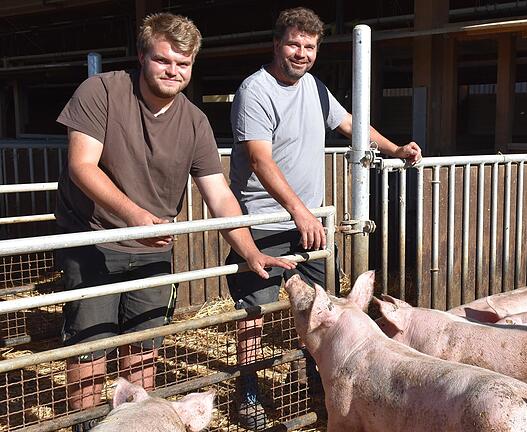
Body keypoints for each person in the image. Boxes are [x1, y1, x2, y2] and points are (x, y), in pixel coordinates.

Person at [54, 13, 295, 432]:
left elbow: (219, 195)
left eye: (183, 64)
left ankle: (135, 425)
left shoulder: (194, 121)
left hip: (153, 251)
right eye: (164, 60)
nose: (173, 71)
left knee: (144, 349)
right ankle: (86, 426)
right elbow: (81, 166)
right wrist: (136, 217)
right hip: (94, 242)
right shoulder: (102, 92)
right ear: (142, 56)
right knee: (90, 350)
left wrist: (250, 249)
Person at [225, 6, 421, 429]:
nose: (301, 53)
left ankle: (315, 380)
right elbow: (259, 160)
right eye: (294, 43)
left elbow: (352, 124)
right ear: (276, 44)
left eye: (309, 46)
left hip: (308, 222)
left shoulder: (314, 87)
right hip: (262, 222)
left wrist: (394, 150)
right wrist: (300, 213)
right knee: (253, 314)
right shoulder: (254, 91)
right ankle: (250, 389)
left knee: (319, 310)